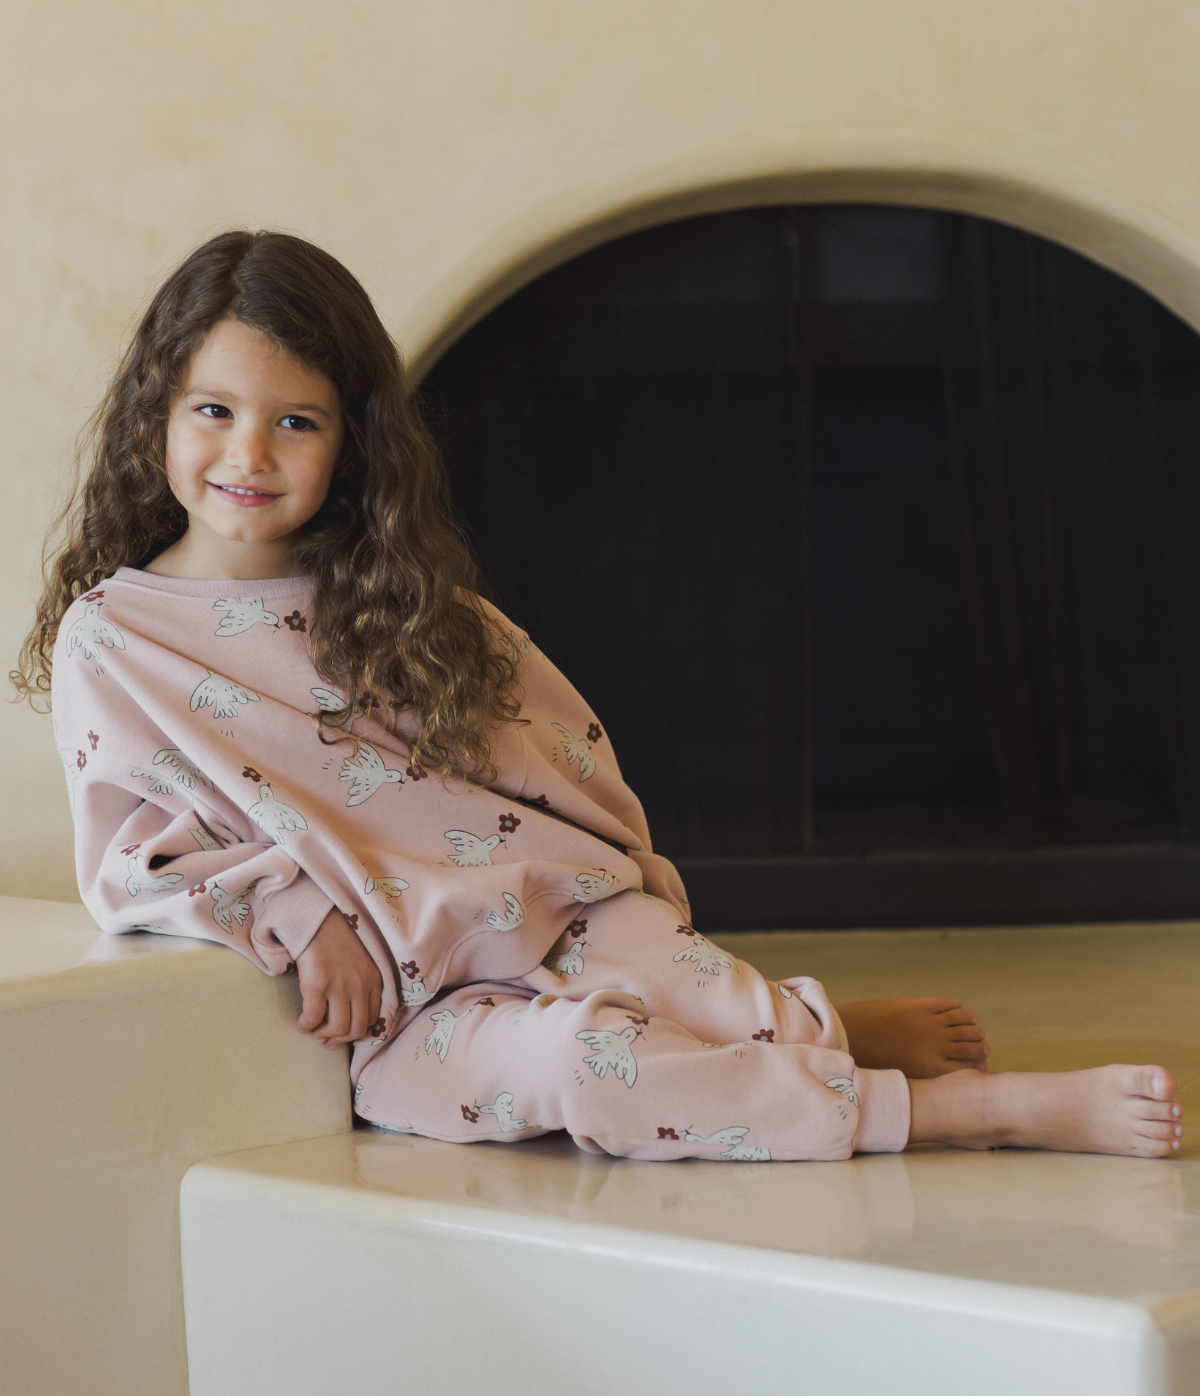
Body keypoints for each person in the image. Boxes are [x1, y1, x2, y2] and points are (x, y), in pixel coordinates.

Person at [16, 230, 1181, 1162]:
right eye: (213, 410)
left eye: (297, 421)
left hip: (540, 911)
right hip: (407, 1013)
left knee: (686, 990)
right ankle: (968, 1112)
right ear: (156, 416)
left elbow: (543, 738)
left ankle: (803, 1021)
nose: (248, 452)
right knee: (591, 1068)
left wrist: (609, 884)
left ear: (353, 444)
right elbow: (136, 854)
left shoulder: (389, 594)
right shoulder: (116, 638)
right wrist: (299, 914)